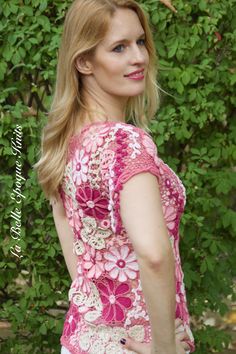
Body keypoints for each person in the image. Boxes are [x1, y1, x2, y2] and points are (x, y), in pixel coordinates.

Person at [34, 0, 195, 353]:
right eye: (119, 47)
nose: (138, 57)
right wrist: (164, 348)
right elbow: (153, 254)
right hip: (140, 343)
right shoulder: (126, 143)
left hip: (85, 340)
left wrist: (102, 325)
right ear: (84, 61)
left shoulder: (66, 143)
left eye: (140, 42)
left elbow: (71, 243)